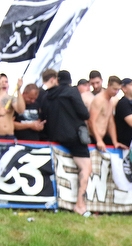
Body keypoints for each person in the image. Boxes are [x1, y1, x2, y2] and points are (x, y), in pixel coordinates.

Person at [45, 70, 92, 216]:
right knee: (85, 168)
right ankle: (79, 204)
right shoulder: (72, 92)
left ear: (57, 80)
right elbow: (84, 113)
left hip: (53, 138)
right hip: (74, 136)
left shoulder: (48, 95)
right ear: (70, 81)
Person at [87, 75, 122, 150]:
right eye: (114, 89)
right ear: (108, 85)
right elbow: (91, 121)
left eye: (118, 90)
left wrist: (115, 142)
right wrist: (98, 140)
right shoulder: (99, 99)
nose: (116, 92)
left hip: (102, 138)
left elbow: (111, 123)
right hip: (93, 138)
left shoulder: (110, 101)